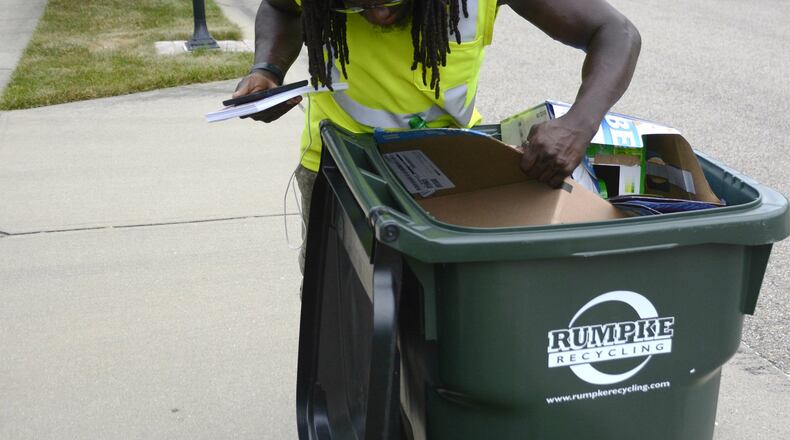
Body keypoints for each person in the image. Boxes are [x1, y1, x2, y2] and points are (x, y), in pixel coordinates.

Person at [233, 0, 641, 270]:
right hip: (341, 168)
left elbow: (615, 32)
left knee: (444, 318)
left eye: (391, 2)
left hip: (455, 174)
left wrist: (578, 124)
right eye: (358, 6)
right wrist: (268, 68)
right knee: (343, 317)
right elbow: (281, 6)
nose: (378, 16)